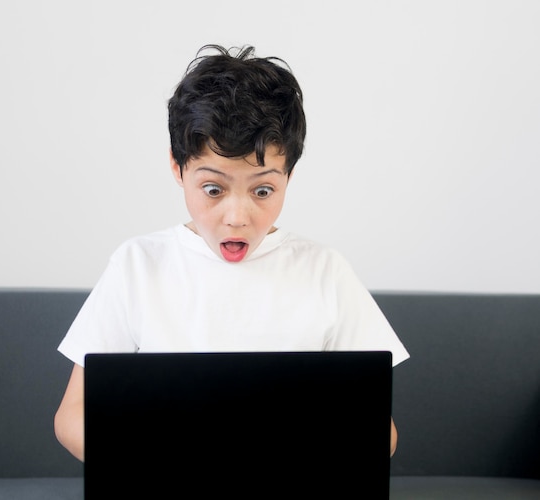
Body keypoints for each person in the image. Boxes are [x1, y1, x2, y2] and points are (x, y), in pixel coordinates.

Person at [54, 44, 410, 462]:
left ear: (288, 176)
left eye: (263, 190)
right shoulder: (139, 265)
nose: (237, 217)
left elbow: (378, 431)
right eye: (213, 190)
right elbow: (72, 416)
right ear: (177, 167)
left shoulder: (323, 271)